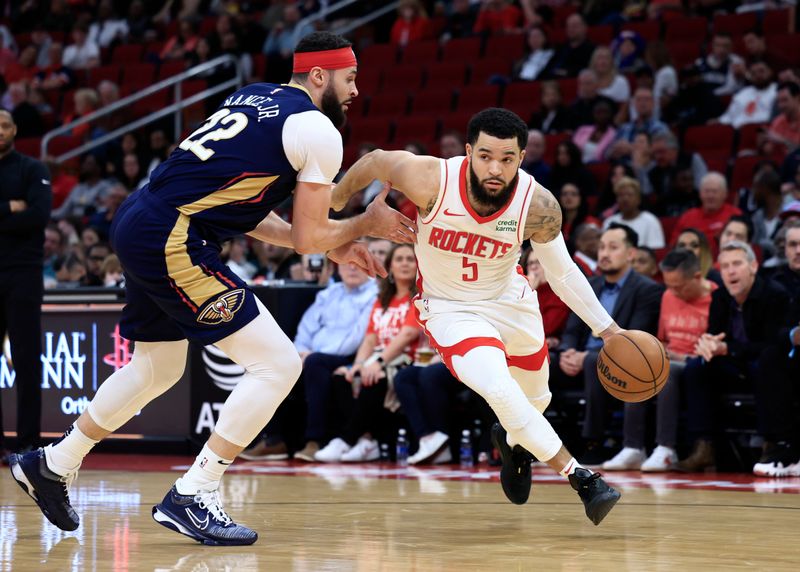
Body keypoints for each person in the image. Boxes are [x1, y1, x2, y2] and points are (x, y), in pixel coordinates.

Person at [9, 32, 414, 546]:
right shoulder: (317, 129)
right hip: (172, 234)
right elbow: (310, 235)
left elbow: (246, 212)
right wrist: (360, 225)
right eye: (350, 77)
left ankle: (53, 462)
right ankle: (194, 493)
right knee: (280, 364)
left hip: (142, 216)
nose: (357, 90)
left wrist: (333, 242)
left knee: (156, 367)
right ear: (320, 75)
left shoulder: (253, 96)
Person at [331, 108, 623, 526]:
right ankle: (581, 477)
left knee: (536, 399)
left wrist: (608, 330)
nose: (494, 167)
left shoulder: (538, 204)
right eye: (485, 156)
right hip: (450, 309)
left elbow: (562, 273)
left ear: (521, 158)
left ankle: (512, 442)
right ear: (468, 152)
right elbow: (375, 159)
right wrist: (336, 205)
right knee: (500, 389)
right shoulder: (431, 177)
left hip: (509, 300)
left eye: (507, 159)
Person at [676, 242, 796, 475]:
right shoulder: (720, 296)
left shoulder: (775, 295)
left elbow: (773, 344)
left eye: (737, 264)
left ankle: (769, 443)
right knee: (696, 368)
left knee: (765, 364)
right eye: (725, 266)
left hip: (766, 364)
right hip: (734, 363)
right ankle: (704, 446)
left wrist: (727, 348)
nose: (730, 271)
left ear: (753, 266)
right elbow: (715, 334)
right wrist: (707, 344)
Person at [557, 224, 663, 469]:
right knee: (540, 364)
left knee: (595, 361)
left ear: (631, 254)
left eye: (613, 248)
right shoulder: (589, 285)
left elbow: (635, 339)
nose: (604, 253)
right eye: (602, 247)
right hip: (580, 360)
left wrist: (586, 356)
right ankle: (541, 443)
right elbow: (572, 330)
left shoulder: (647, 289)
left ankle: (594, 443)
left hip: (618, 364)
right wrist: (567, 352)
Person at [0, 110, 51, 462]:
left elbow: (39, 215)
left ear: (15, 130)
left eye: (4, 124)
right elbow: (22, 216)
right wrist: (9, 208)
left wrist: (23, 212)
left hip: (23, 275)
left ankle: (28, 444)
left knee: (27, 362)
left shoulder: (32, 169)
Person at [602, 176, 665, 249]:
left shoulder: (651, 221)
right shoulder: (609, 222)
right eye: (621, 195)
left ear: (638, 199)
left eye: (629, 195)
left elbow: (656, 250)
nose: (625, 199)